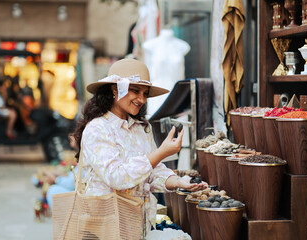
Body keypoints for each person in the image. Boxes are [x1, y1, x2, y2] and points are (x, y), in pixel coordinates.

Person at [72, 58, 208, 236]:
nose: (141, 99)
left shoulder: (141, 128)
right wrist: (161, 152)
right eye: (135, 91)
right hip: (106, 229)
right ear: (115, 89)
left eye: (145, 93)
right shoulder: (98, 129)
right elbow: (116, 177)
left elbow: (152, 172)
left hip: (139, 226)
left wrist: (178, 182)